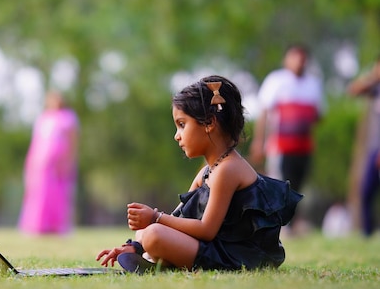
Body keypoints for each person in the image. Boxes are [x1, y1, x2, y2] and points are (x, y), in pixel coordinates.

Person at [96, 75, 302, 274]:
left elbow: (206, 230)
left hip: (237, 255)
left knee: (154, 233)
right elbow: (178, 216)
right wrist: (134, 246)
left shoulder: (228, 169)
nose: (177, 136)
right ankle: (154, 256)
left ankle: (161, 258)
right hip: (214, 246)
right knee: (145, 233)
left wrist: (155, 217)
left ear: (209, 124)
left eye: (182, 124)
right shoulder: (206, 172)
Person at [249, 45, 323, 234]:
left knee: (297, 186)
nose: (299, 62)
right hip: (281, 146)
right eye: (295, 57)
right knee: (280, 184)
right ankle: (276, 227)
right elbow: (264, 113)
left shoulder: (313, 84)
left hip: (304, 146)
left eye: (302, 58)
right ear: (286, 60)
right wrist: (259, 142)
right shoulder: (276, 81)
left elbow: (319, 115)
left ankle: (290, 224)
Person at [18, 91, 79, 235]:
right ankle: (38, 226)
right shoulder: (43, 118)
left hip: (59, 163)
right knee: (39, 193)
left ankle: (56, 226)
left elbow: (73, 141)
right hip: (41, 162)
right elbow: (36, 142)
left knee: (58, 194)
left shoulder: (68, 117)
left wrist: (68, 161)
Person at [347, 56, 380, 237]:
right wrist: (373, 77)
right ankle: (367, 233)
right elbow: (353, 90)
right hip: (374, 149)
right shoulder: (375, 88)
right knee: (366, 191)